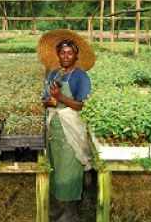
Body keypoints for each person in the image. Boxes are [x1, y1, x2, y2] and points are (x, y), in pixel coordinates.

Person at [38, 29, 95, 222]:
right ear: (58, 54)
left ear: (76, 55)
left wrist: (60, 97)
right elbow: (45, 98)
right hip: (55, 127)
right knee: (55, 167)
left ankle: (70, 213)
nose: (66, 56)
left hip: (71, 127)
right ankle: (57, 207)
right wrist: (50, 102)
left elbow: (82, 104)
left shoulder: (81, 77)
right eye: (62, 53)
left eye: (70, 53)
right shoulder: (54, 73)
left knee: (69, 168)